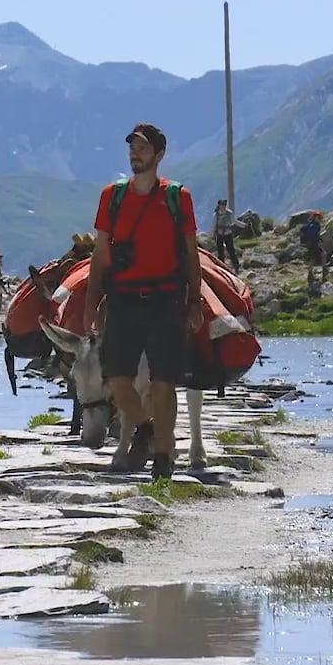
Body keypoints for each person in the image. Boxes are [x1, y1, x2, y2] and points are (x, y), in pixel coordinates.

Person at [79, 122, 200, 481]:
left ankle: (164, 457)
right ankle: (147, 430)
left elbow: (191, 254)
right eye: (132, 147)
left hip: (166, 299)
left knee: (164, 382)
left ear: (160, 155)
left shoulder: (178, 197)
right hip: (123, 300)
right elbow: (100, 253)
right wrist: (91, 303)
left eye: (143, 148)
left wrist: (194, 301)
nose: (136, 153)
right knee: (117, 380)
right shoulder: (111, 197)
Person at [212, 199, 241, 271]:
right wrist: (212, 234)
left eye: (224, 205)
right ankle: (222, 267)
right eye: (222, 205)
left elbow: (235, 222)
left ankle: (236, 266)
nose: (224, 206)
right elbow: (213, 226)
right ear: (219, 205)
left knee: (231, 251)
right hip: (219, 234)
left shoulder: (229, 213)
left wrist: (244, 225)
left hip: (228, 234)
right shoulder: (216, 215)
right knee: (220, 252)